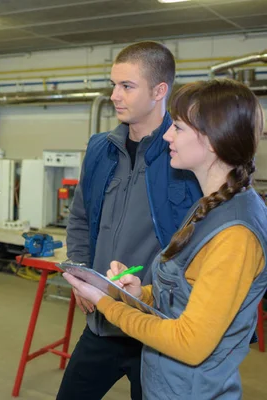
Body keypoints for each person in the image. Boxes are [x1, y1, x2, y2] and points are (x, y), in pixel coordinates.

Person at [63, 78, 267, 400]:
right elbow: (186, 295)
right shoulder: (210, 205)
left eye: (180, 128)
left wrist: (106, 304)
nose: (168, 134)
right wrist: (134, 294)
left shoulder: (235, 234)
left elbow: (190, 342)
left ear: (213, 141)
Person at [57, 41, 202, 400]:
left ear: (159, 91)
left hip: (157, 329)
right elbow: (79, 219)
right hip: (103, 322)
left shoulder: (185, 154)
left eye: (126, 86)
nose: (114, 95)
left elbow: (199, 245)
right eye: (113, 84)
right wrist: (81, 278)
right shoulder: (99, 148)